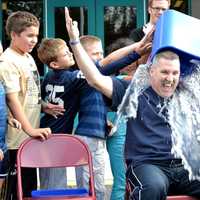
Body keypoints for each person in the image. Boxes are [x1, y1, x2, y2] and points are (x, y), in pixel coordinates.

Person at [66, 13, 200, 200]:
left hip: (183, 165)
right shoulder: (132, 90)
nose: (170, 78)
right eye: (164, 72)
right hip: (148, 165)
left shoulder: (188, 91)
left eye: (175, 73)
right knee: (152, 188)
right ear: (151, 71)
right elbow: (94, 79)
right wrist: (75, 42)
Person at [0, 11, 52, 199]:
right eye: (29, 36)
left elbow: (28, 91)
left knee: (29, 188)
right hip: (15, 140)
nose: (34, 40)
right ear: (14, 35)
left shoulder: (27, 57)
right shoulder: (7, 62)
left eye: (36, 36)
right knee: (16, 191)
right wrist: (30, 129)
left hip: (29, 136)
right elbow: (12, 99)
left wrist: (44, 105)